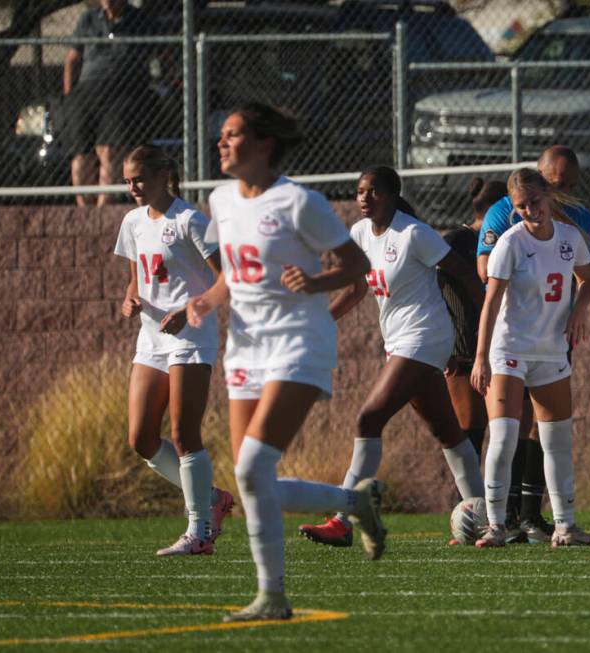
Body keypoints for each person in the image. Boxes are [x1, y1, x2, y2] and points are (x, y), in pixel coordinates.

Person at [186, 102, 386, 622]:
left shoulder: (299, 202)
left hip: (299, 340)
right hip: (246, 347)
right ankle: (354, 503)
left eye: (233, 135)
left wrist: (316, 283)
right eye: (221, 135)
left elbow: (358, 266)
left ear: (265, 143)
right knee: (254, 479)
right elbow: (234, 271)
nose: (222, 143)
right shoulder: (220, 200)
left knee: (252, 467)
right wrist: (207, 301)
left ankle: (272, 597)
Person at [297, 166, 485, 548]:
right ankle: (487, 515)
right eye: (360, 191)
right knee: (446, 431)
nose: (364, 198)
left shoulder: (414, 233)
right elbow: (355, 290)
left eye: (373, 192)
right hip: (399, 342)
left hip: (427, 336)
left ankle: (344, 518)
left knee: (369, 417)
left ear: (392, 195)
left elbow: (464, 273)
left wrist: (482, 330)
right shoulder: (360, 234)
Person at [476, 145, 590, 543]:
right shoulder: (511, 242)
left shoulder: (571, 235)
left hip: (551, 350)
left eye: (534, 201)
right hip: (510, 351)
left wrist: (578, 311)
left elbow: (588, 279)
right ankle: (497, 525)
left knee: (557, 440)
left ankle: (566, 526)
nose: (529, 211)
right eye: (521, 206)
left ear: (549, 197)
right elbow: (491, 301)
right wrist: (481, 357)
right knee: (503, 438)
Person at [114, 143, 234, 556]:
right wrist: (130, 298)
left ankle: (199, 531)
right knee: (141, 438)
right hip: (151, 337)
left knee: (184, 434)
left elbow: (228, 280)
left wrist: (190, 309)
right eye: (127, 181)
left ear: (165, 175)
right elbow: (136, 280)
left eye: (139, 179)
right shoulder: (132, 222)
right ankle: (214, 500)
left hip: (192, 333)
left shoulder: (190, 220)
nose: (132, 187)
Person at [439, 178, 509, 458]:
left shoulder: (512, 240)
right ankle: (469, 500)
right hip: (464, 350)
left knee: (506, 429)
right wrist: (446, 349)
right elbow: (437, 294)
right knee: (471, 431)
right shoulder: (455, 242)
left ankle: (504, 500)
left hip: (504, 344)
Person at [63, 0, 154, 206]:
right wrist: (69, 97)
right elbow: (72, 59)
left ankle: (102, 209)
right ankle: (84, 211)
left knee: (109, 151)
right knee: (81, 154)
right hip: (86, 92)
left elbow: (160, 55)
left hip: (122, 92)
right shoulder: (88, 19)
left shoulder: (139, 20)